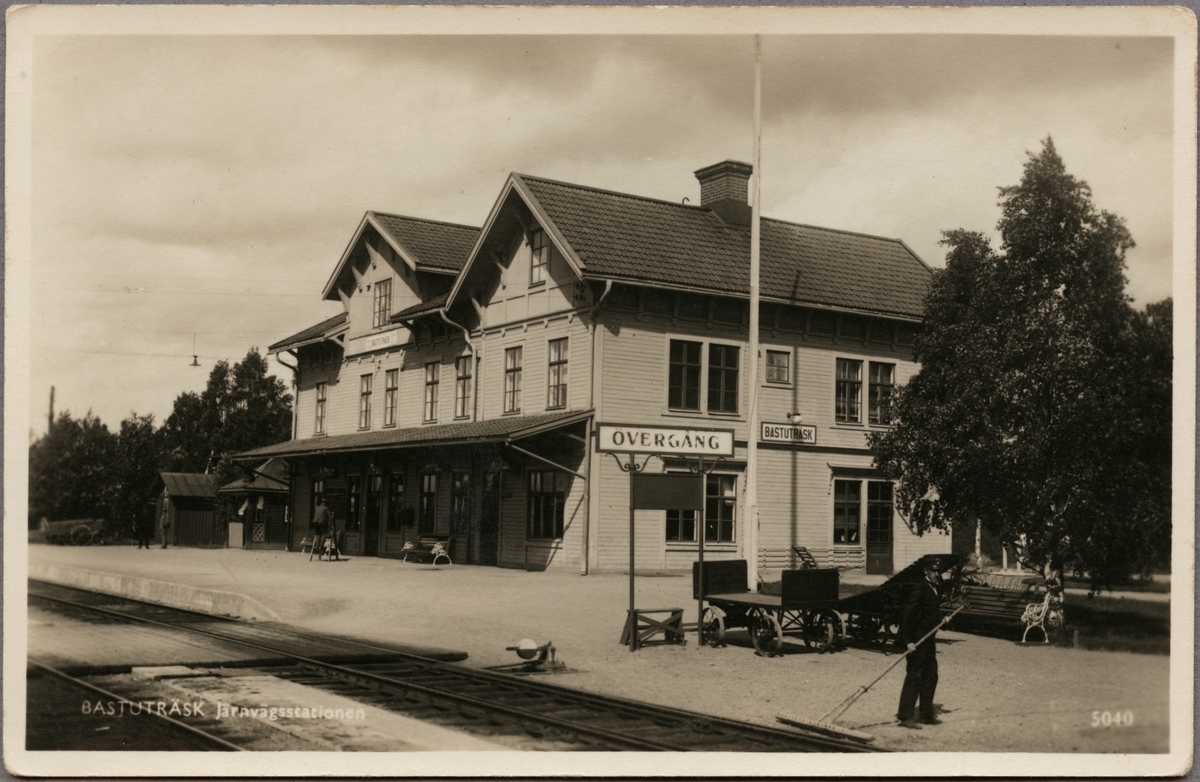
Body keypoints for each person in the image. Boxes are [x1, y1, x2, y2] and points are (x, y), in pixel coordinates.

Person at [896, 559, 945, 729]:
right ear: (926, 571)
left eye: (939, 571)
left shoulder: (934, 588)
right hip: (917, 641)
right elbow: (908, 614)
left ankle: (926, 715)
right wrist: (908, 640)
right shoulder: (920, 587)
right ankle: (905, 717)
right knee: (915, 676)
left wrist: (943, 619)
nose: (937, 574)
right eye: (934, 571)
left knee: (931, 676)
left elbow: (929, 614)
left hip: (928, 641)